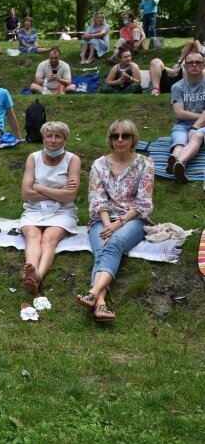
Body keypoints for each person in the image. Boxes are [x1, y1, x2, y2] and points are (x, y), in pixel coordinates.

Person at [76, 119, 154, 322]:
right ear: (110, 139)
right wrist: (107, 223)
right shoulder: (99, 165)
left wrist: (118, 223)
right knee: (103, 247)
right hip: (102, 218)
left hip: (133, 218)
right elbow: (97, 199)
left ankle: (92, 292)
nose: (120, 140)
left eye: (125, 135)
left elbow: (143, 203)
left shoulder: (145, 164)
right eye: (115, 136)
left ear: (133, 138)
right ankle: (100, 303)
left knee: (115, 242)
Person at [19, 121, 81, 297]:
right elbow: (25, 193)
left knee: (49, 237)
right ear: (44, 138)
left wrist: (40, 188)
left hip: (63, 210)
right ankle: (30, 269)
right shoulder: (33, 157)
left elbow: (70, 197)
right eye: (49, 136)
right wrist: (58, 191)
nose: (53, 140)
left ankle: (38, 275)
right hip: (35, 209)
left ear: (65, 140)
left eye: (58, 136)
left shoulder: (73, 159)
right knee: (32, 235)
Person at [166, 50, 205, 183]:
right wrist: (201, 115)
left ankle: (179, 162)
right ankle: (176, 161)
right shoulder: (177, 87)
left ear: (203, 65)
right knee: (179, 140)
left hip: (203, 125)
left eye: (198, 62)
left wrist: (195, 126)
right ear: (185, 66)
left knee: (198, 136)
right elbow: (179, 113)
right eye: (190, 63)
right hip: (182, 124)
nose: (194, 65)